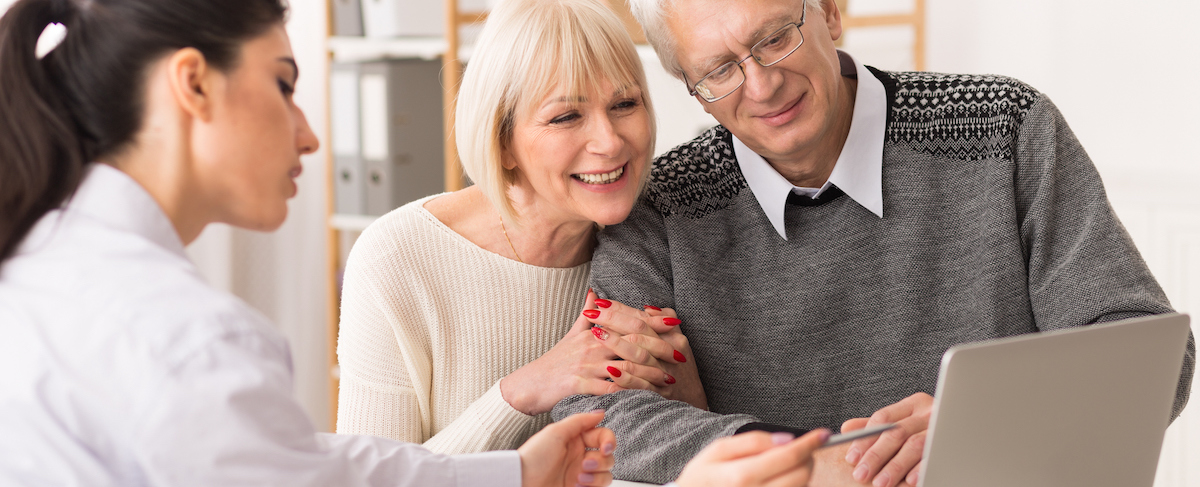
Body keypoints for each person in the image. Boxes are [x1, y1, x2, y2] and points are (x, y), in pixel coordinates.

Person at [551, 0, 1198, 485]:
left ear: (831, 13)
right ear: (692, 90)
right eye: (718, 70)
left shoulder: (1006, 129)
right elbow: (596, 416)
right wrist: (812, 463)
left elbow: (1149, 350)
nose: (761, 85)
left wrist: (974, 428)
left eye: (775, 38)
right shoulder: (660, 208)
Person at [0, 0, 619, 485]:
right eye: (283, 86)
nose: (308, 136)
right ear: (192, 84)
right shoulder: (185, 336)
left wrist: (515, 473)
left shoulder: (45, 260)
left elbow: (304, 469)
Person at [336, 0, 705, 456]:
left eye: (625, 104)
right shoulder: (397, 258)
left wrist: (687, 391)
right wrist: (520, 394)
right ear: (503, 142)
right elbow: (367, 480)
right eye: (566, 116)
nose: (610, 141)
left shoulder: (659, 241)